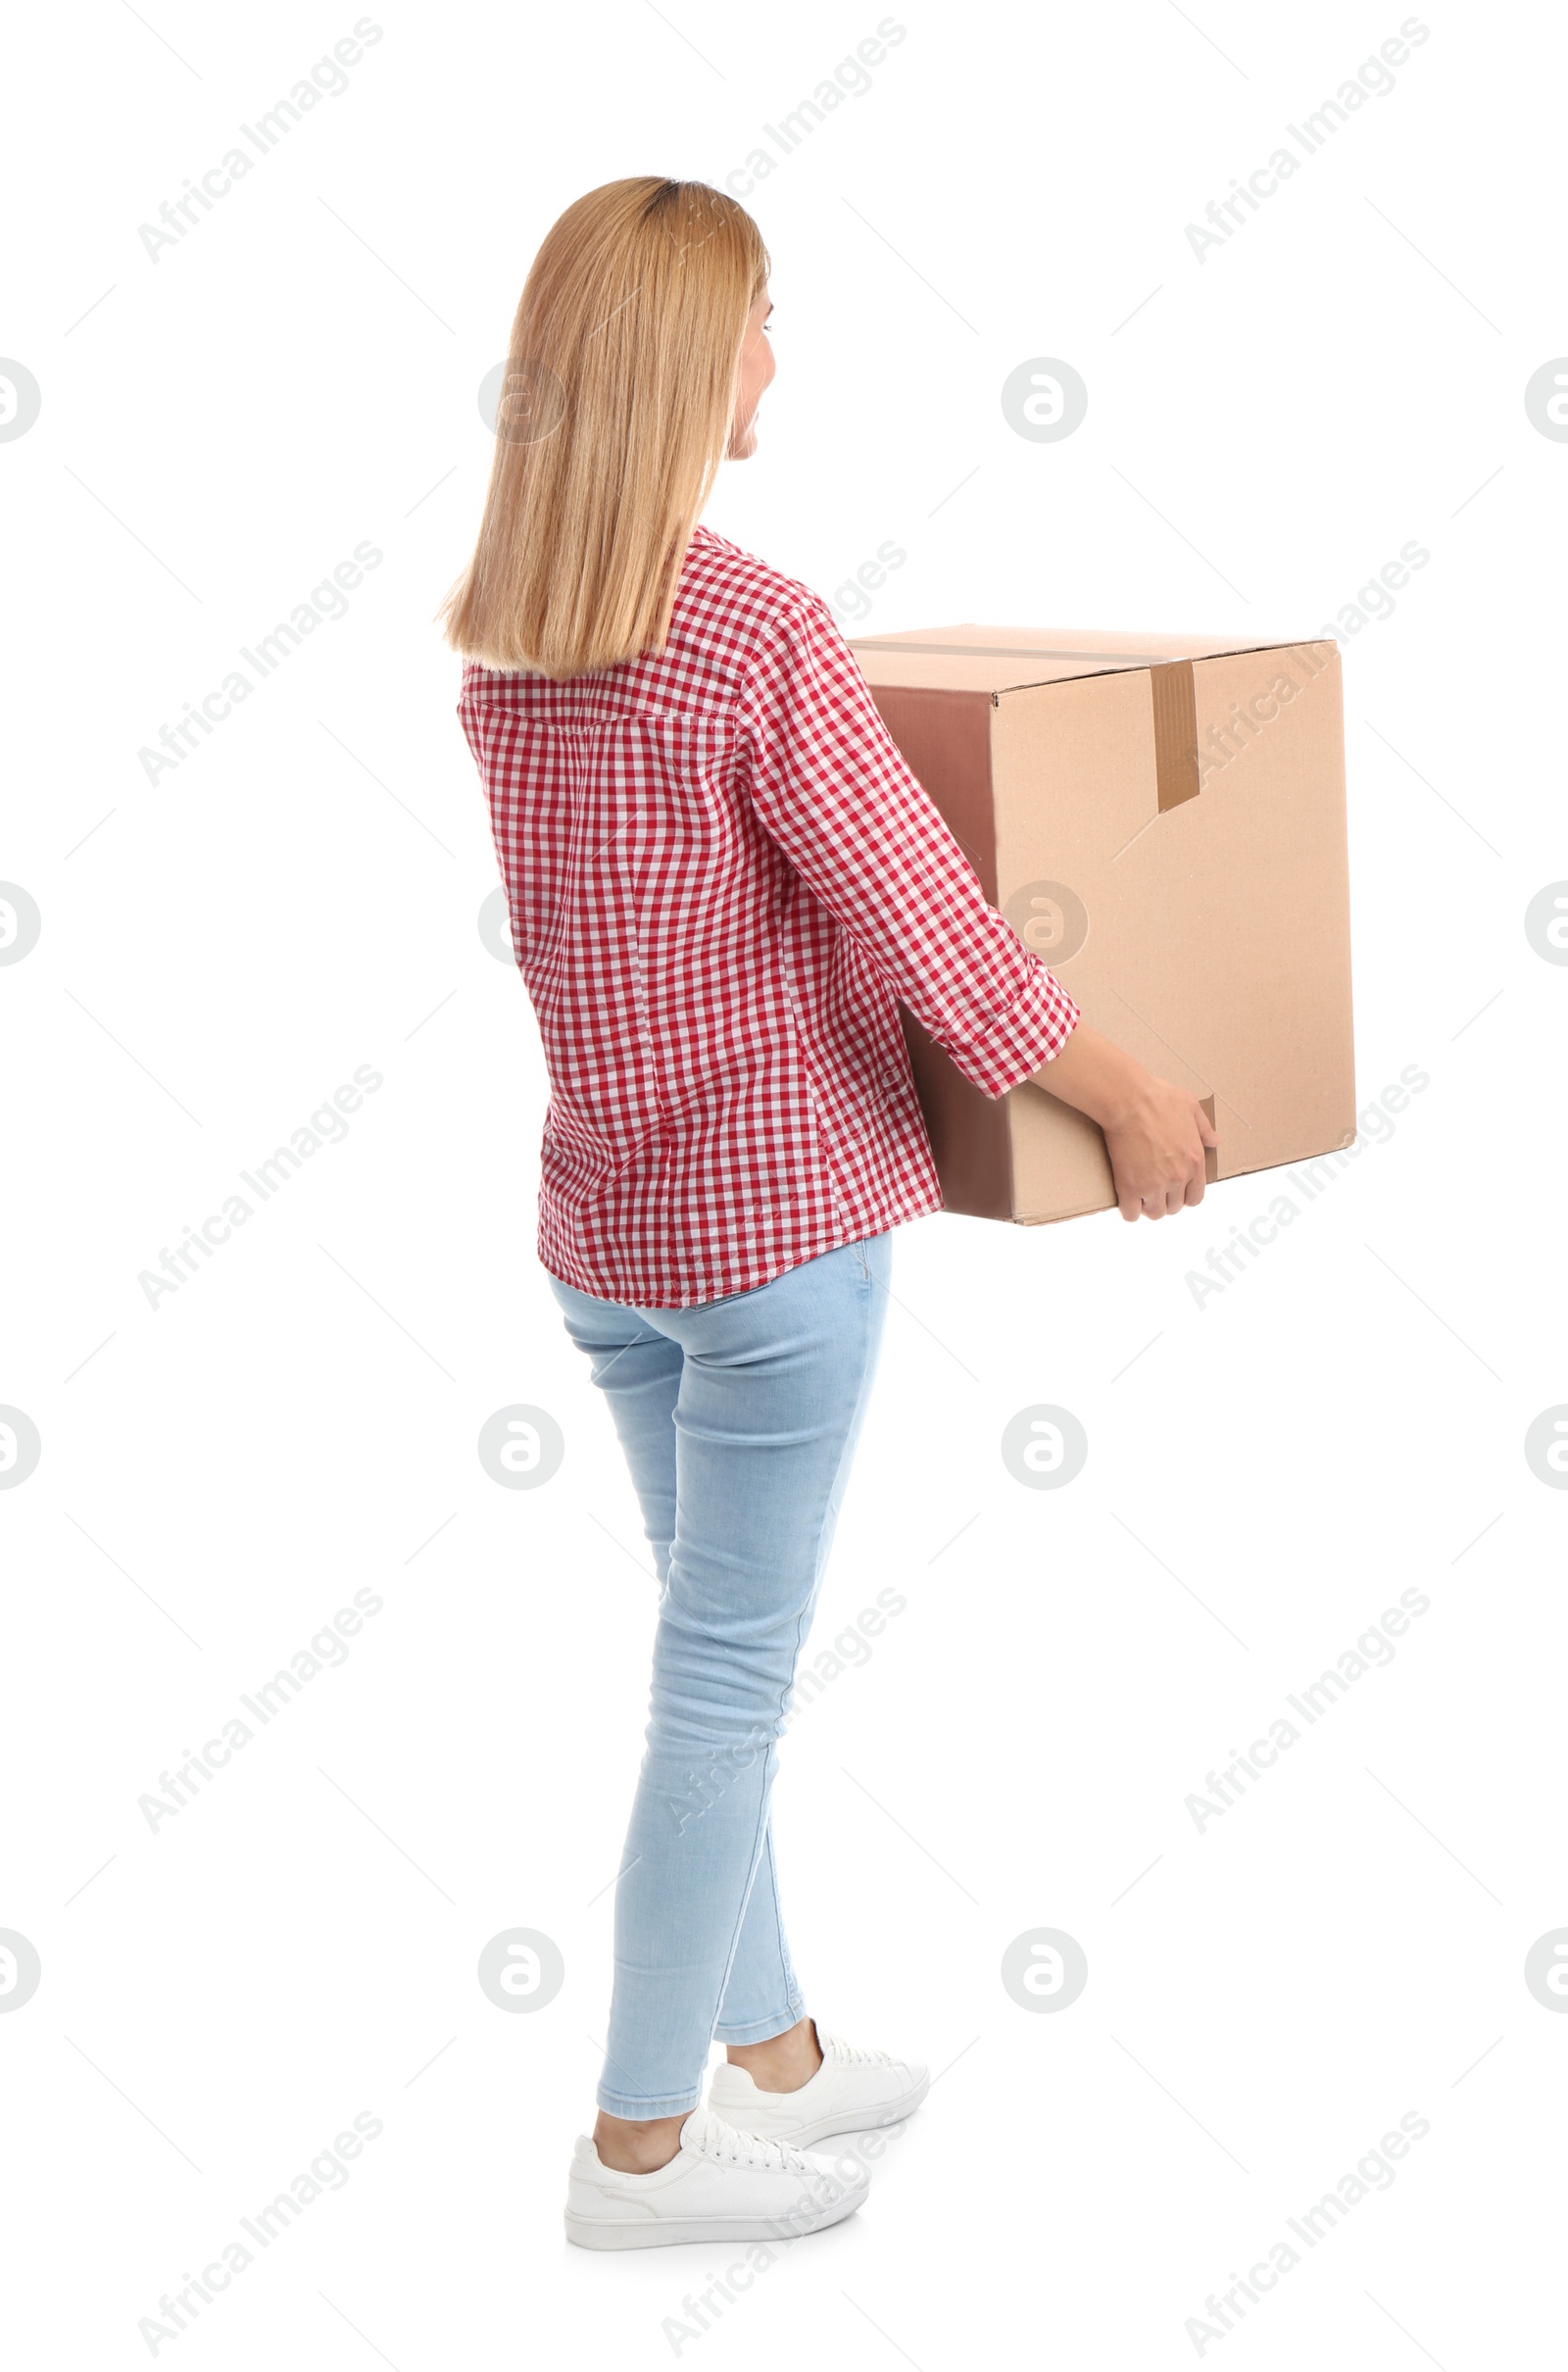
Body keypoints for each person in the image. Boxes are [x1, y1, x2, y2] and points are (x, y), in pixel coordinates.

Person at [443, 177, 1216, 2251]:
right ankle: (633, 2150)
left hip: (604, 1238)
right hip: (776, 1244)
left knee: (706, 1652)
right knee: (722, 1689)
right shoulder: (756, 630)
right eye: (761, 324)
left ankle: (766, 2050)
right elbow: (941, 939)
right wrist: (1132, 1096)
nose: (779, 360)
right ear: (694, 364)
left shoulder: (506, 640)